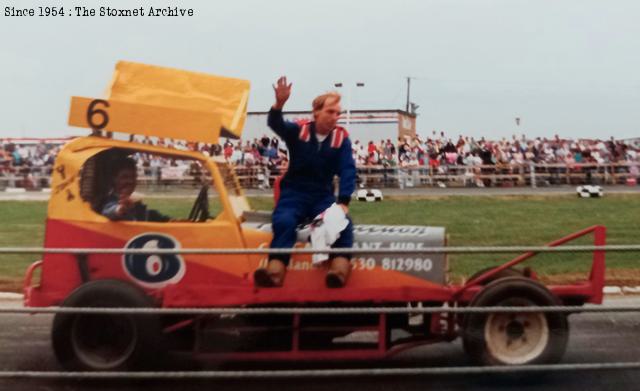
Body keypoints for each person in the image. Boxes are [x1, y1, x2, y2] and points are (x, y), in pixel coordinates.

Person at [253, 76, 356, 288]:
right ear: (316, 112)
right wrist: (279, 104)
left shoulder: (340, 139)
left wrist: (343, 201)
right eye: (330, 112)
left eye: (338, 113)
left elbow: (347, 169)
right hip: (294, 194)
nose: (335, 117)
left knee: (343, 224)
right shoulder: (299, 131)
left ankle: (339, 270)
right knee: (284, 221)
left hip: (322, 195)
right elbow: (275, 123)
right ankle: (275, 272)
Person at [101, 157, 170, 222]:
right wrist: (121, 209)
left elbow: (146, 215)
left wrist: (167, 220)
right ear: (114, 179)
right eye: (125, 177)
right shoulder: (110, 201)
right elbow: (109, 212)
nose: (130, 181)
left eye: (133, 177)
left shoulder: (134, 203)